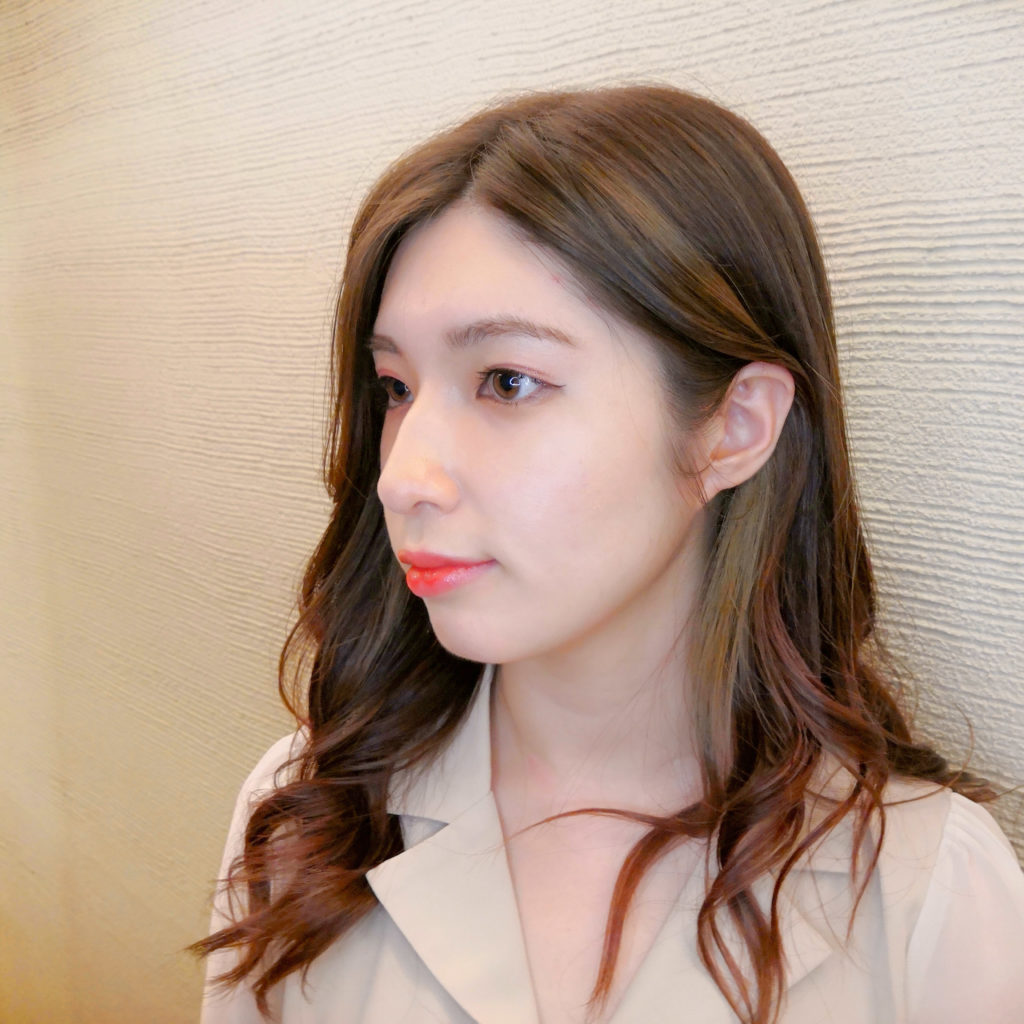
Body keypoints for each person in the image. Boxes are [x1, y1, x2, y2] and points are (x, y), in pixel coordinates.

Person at [194, 85, 1024, 1024]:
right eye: (396, 387)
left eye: (507, 381)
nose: (403, 478)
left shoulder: (929, 893)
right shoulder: (303, 818)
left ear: (734, 427)